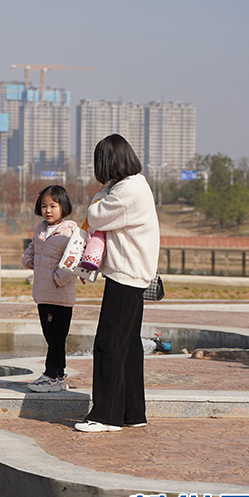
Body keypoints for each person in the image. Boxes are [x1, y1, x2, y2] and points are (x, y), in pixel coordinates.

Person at [75, 134, 159, 432]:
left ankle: (105, 416)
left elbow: (95, 216)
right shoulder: (133, 185)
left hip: (125, 275)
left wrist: (100, 195)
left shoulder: (127, 190)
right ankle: (132, 413)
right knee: (127, 346)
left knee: (108, 344)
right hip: (132, 275)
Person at [21, 185, 79, 393]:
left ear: (63, 206)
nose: (48, 210)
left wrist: (57, 279)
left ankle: (51, 375)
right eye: (44, 206)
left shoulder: (70, 231)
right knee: (50, 336)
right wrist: (27, 259)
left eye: (53, 206)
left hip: (59, 294)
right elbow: (32, 248)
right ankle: (59, 375)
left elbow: (74, 260)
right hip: (42, 294)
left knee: (56, 337)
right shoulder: (40, 229)